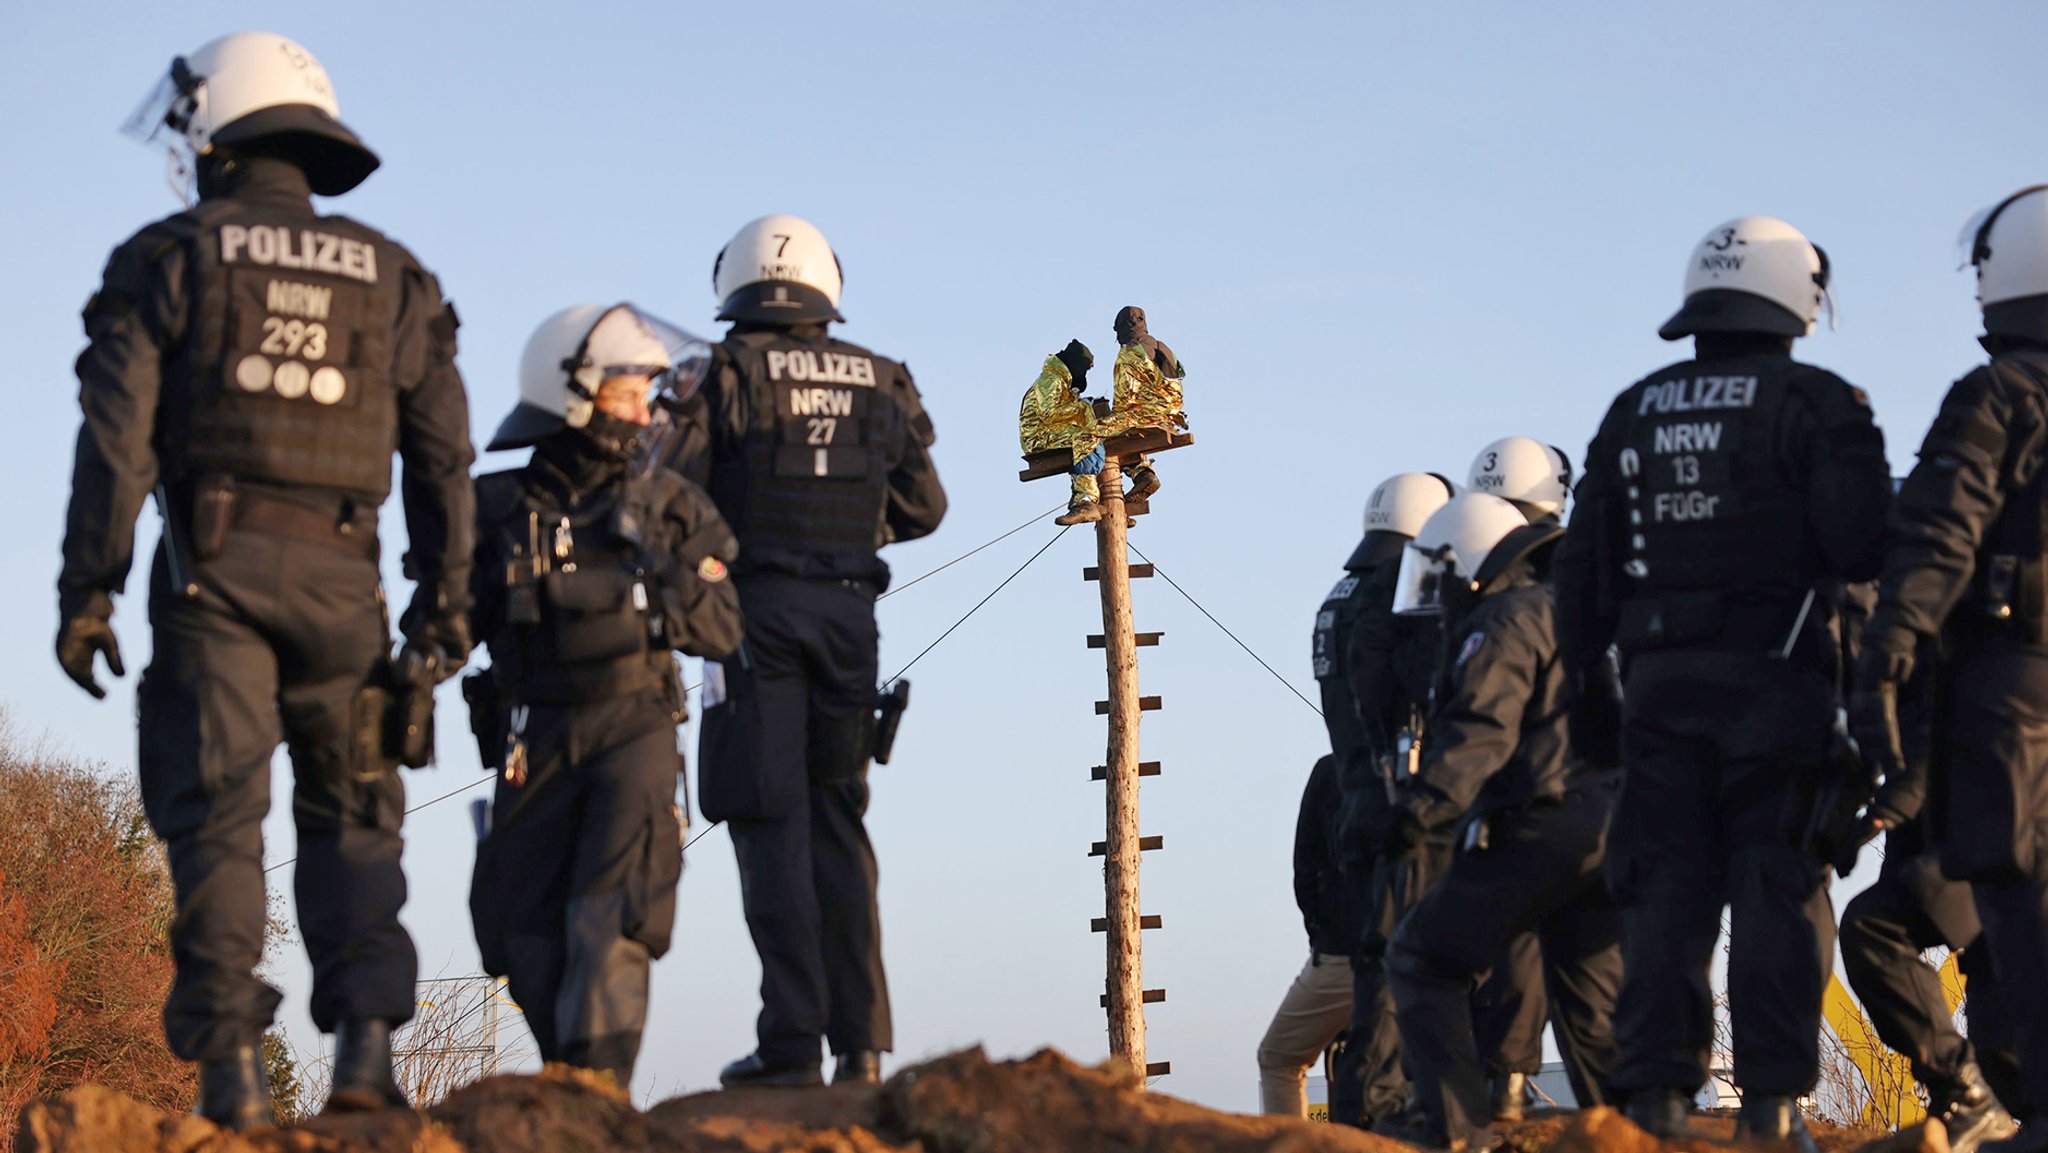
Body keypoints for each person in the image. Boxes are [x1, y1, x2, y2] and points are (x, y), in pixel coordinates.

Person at [55, 32, 475, 1129]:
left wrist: (86, 589)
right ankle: (368, 1060)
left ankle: (233, 1075)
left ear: (215, 130)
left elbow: (115, 439)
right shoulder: (395, 276)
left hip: (215, 578)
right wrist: (444, 607)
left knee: (219, 820)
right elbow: (443, 458)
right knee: (354, 822)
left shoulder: (167, 257)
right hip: (348, 582)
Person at [1553, 215, 1891, 1150]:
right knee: (1778, 889)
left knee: (1666, 894)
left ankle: (1655, 1104)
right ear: (1799, 297)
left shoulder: (1633, 409)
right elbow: (1868, 549)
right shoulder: (1820, 403)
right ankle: (1774, 1115)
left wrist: (1593, 708)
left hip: (1653, 693)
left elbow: (1580, 581)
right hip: (1780, 690)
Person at [658, 214, 947, 1087]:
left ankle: (789, 1043)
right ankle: (860, 1044)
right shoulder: (882, 378)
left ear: (732, 284)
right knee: (839, 821)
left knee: (767, 819)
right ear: (828, 283)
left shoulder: (727, 372)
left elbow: (670, 490)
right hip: (851, 619)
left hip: (758, 617)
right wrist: (856, 530)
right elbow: (926, 507)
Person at [465, 304, 742, 1087]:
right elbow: (449, 618)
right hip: (533, 729)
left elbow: (722, 627)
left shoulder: (671, 504)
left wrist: (657, 565)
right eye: (630, 393)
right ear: (574, 393)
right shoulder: (495, 507)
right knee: (514, 924)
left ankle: (598, 1089)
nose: (647, 412)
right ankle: (565, 1081)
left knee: (612, 915)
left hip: (636, 723)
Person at [1851, 185, 2048, 1153]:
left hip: (2014, 685)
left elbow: (1936, 535)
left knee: (2022, 898)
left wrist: (1885, 653)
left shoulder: (1998, 396)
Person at [1379, 493, 1623, 1151]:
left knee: (1422, 957)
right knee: (1590, 1011)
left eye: (1443, 573)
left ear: (1470, 562)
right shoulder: (1567, 611)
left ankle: (1459, 1130)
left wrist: (1420, 810)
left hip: (1542, 822)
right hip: (1613, 830)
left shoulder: (1504, 619)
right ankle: (1635, 1134)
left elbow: (1482, 726)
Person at [1321, 471, 1456, 1128]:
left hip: (1355, 805)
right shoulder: (1401, 588)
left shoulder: (1338, 594)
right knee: (1397, 968)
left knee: (1382, 966)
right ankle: (1375, 1113)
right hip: (1397, 806)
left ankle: (1372, 1108)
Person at [1256, 754, 1363, 1115]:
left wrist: (1324, 936)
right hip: (1430, 952)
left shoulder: (1335, 772)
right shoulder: (1442, 764)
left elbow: (1306, 868)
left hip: (1348, 950)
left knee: (1279, 1059)